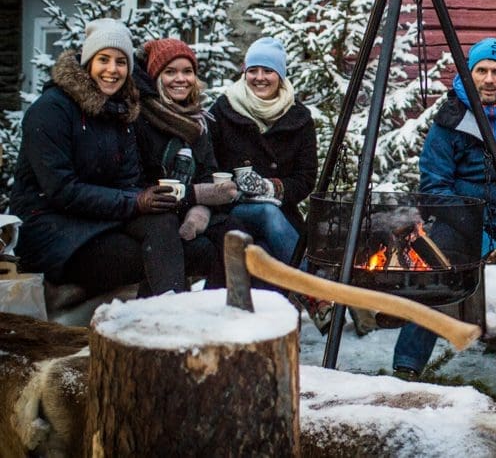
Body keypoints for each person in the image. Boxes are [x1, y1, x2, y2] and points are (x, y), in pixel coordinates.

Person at [392, 37, 496, 376]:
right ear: (469, 73)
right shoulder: (449, 120)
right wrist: (479, 235)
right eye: (481, 71)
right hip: (461, 216)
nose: (489, 79)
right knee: (433, 267)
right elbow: (434, 184)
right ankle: (407, 363)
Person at [10, 19, 180, 295]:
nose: (112, 70)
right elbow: (61, 191)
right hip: (49, 226)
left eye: (121, 62)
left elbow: (128, 180)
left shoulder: (120, 111)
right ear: (88, 62)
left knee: (165, 226)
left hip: (100, 219)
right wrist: (134, 201)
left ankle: (168, 321)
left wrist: (147, 198)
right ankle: (157, 323)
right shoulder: (51, 110)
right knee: (141, 257)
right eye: (104, 59)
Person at [132, 38, 245, 294]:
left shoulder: (198, 121)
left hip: (189, 213)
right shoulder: (142, 117)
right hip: (153, 215)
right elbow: (138, 182)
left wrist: (201, 211)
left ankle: (214, 310)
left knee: (235, 234)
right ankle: (168, 313)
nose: (180, 79)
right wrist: (195, 197)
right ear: (156, 77)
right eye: (170, 72)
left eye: (187, 71)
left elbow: (207, 171)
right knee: (173, 239)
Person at [208, 37, 318, 265]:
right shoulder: (223, 110)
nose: (259, 77)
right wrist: (234, 187)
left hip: (282, 213)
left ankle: (296, 294)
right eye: (253, 70)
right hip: (231, 211)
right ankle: (312, 291)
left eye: (268, 70)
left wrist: (270, 188)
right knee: (266, 214)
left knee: (266, 250)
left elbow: (306, 178)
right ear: (244, 73)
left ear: (280, 75)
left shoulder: (299, 118)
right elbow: (208, 164)